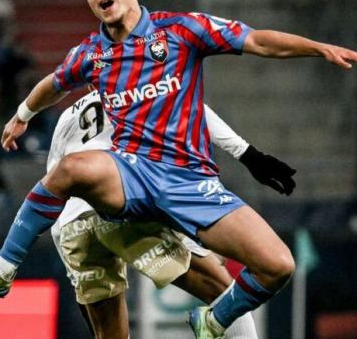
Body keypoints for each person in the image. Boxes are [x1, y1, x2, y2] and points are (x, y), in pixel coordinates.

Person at [0, 0, 357, 339]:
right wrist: (22, 115)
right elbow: (53, 84)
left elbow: (258, 41)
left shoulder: (180, 31)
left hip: (191, 184)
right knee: (70, 169)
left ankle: (214, 320)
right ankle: (2, 268)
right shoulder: (90, 54)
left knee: (278, 265)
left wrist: (316, 48)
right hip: (131, 174)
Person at [49, 90, 294, 338]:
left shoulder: (66, 119)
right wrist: (246, 153)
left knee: (110, 334)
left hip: (72, 224)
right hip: (121, 203)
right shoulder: (134, 86)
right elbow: (192, 110)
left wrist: (75, 270)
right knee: (222, 290)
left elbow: (51, 189)